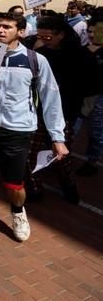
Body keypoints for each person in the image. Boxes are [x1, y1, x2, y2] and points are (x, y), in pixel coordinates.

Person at [0, 12, 68, 242]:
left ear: (21, 31)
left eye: (7, 27)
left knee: (14, 184)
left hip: (17, 130)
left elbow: (51, 99)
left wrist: (58, 137)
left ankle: (18, 214)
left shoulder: (35, 60)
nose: (0, 30)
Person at [24, 16, 97, 204]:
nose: (43, 41)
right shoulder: (39, 54)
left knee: (61, 154)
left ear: (61, 35)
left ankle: (68, 185)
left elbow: (92, 85)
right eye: (39, 36)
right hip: (38, 112)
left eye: (47, 37)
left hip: (65, 113)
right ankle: (34, 187)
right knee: (32, 151)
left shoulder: (82, 56)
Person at [77, 17, 103, 177]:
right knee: (71, 130)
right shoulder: (82, 50)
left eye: (97, 31)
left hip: (99, 99)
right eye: (90, 31)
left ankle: (92, 161)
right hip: (81, 98)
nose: (92, 35)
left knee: (96, 132)